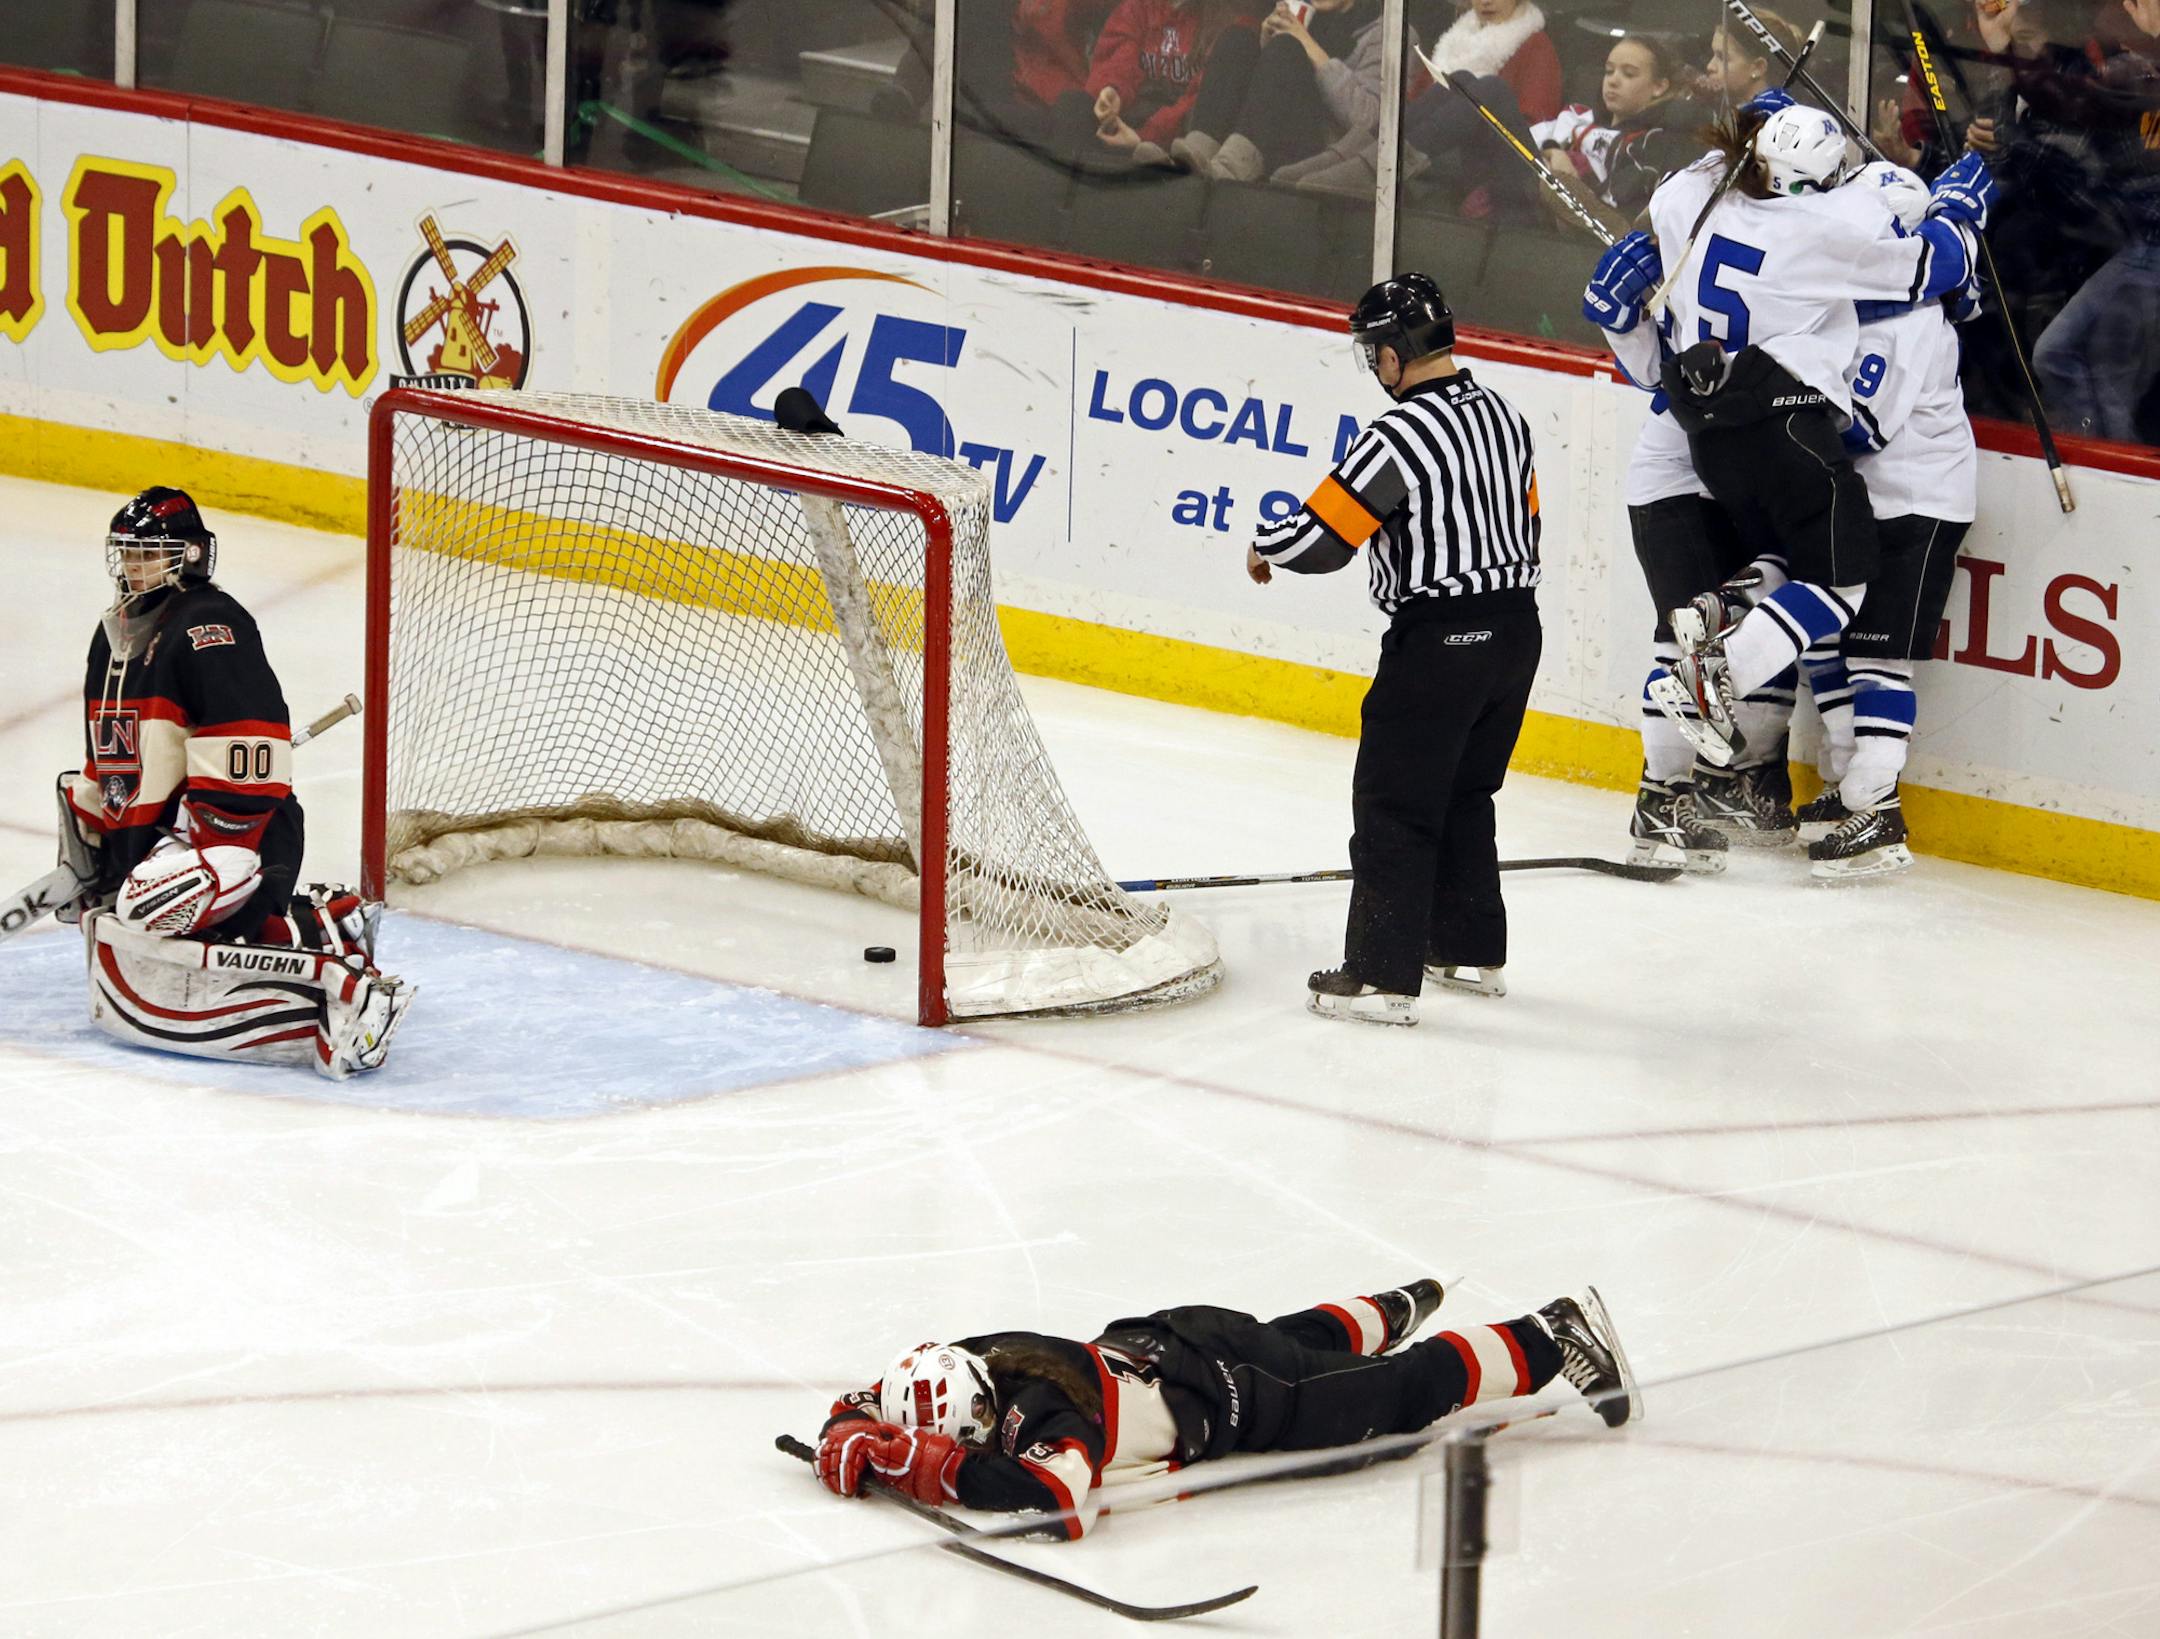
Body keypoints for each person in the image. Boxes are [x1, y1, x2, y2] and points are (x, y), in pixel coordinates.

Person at [1583, 104, 1993, 767]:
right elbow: (1934, 267)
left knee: (1776, 567)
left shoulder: (1686, 195)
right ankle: (1714, 680)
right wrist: (1959, 210)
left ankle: (1726, 611)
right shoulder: (1828, 230)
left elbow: (1650, 363)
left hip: (1704, 429)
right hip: (1781, 422)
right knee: (1840, 584)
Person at [1246, 273, 1541, 1025]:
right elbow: (1528, 517)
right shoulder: (1505, 415)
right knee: (1467, 794)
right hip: (1514, 634)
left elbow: (1324, 536)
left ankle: (1381, 976)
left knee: (1393, 805)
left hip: (1439, 642)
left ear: (1393, 353)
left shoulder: (1400, 434)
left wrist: (1264, 546)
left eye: (1372, 351)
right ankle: (1467, 947)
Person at [811, 1279, 1637, 1537]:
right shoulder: (980, 1351)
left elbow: (1059, 1498)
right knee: (1294, 1338)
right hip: (1177, 1335)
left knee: (1402, 1394)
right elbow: (866, 1398)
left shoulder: (1046, 1417)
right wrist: (853, 1428)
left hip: (1241, 1397)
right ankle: (1389, 1305)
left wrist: (929, 1468)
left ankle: (1547, 1332)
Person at [56, 486, 414, 1079]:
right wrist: (98, 846)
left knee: (149, 905)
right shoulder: (113, 633)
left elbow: (249, 743)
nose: (133, 566)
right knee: (100, 847)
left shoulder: (210, 622)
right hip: (159, 840)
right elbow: (109, 753)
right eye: (127, 553)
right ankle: (324, 923)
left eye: (149, 552)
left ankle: (344, 978)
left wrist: (206, 842)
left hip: (235, 832)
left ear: (191, 555)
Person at [1168, 0, 1412, 183]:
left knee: (1286, 49)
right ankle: (1195, 152)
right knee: (1238, 39)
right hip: (1264, 133)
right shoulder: (1305, 15)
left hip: (1323, 152)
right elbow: (1270, 87)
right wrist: (1265, 43)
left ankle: (1230, 170)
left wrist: (1307, 46)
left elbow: (1368, 120)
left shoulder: (1391, 34)